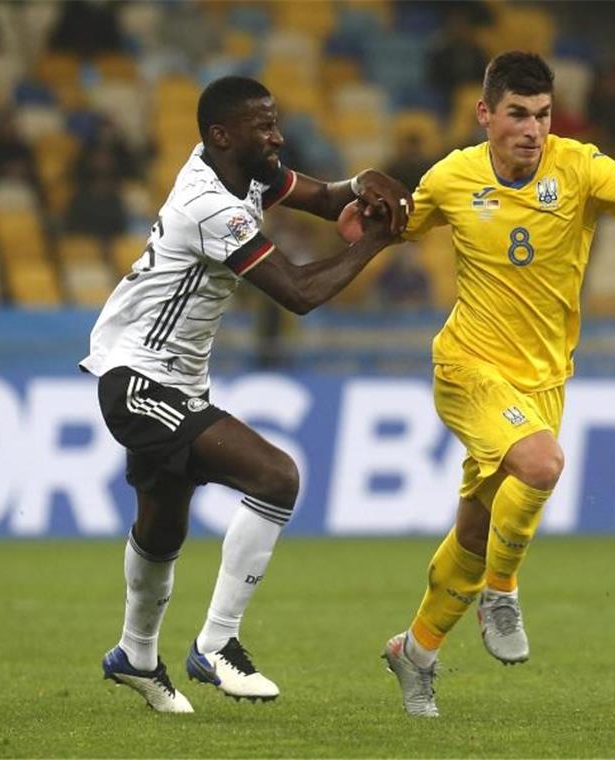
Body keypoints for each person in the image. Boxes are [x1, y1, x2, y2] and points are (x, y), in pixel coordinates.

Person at [379, 52, 615, 717]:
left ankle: (416, 650)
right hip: (467, 367)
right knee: (543, 462)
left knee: (473, 528)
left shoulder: (580, 167)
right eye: (518, 114)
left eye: (543, 115)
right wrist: (339, 221)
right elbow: (390, 227)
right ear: (485, 115)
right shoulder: (451, 177)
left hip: (543, 379)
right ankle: (503, 591)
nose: (532, 130)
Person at [79, 75, 411, 713]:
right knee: (276, 477)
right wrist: (376, 239)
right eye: (264, 126)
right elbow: (300, 293)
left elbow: (322, 197)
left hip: (177, 379)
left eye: (275, 121)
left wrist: (364, 182)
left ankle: (135, 656)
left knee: (163, 522)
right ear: (221, 135)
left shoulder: (249, 172)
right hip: (139, 379)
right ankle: (217, 644)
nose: (277, 135)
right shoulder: (210, 205)